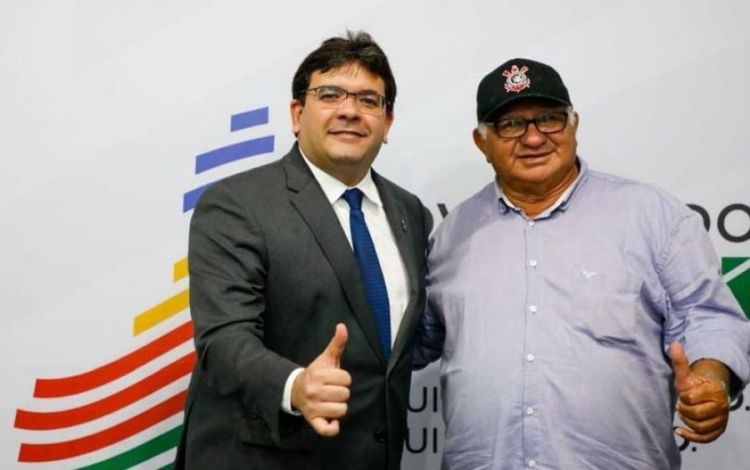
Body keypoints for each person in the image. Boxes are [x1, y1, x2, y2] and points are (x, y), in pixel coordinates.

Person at [414, 58, 750, 469]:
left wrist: (712, 378)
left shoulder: (652, 216)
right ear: (481, 142)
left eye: (549, 119)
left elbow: (710, 316)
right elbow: (414, 340)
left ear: (574, 124)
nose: (533, 138)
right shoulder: (454, 234)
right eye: (511, 125)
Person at [176, 31, 432, 470]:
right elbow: (223, 338)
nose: (350, 110)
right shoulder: (237, 204)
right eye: (330, 95)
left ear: (387, 123)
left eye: (369, 100)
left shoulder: (411, 213)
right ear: (297, 114)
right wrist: (294, 385)